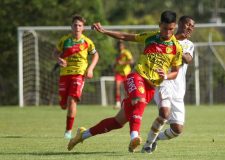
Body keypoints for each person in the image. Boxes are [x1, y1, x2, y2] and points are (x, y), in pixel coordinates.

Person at [67, 10, 183, 153]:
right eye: (165, 28)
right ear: (160, 25)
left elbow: (176, 72)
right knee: (138, 101)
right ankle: (134, 137)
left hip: (151, 87)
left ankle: (82, 135)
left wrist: (165, 75)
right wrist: (104, 31)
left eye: (171, 29)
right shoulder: (151, 37)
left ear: (175, 27)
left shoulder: (176, 48)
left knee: (117, 122)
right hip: (137, 76)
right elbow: (125, 36)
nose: (167, 32)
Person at [142, 16, 195, 154]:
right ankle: (147, 146)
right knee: (164, 113)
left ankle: (154, 139)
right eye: (187, 24)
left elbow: (188, 59)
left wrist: (176, 42)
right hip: (164, 83)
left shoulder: (189, 44)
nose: (190, 28)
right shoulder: (164, 39)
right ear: (179, 24)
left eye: (192, 26)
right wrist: (174, 38)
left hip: (178, 90)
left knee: (177, 129)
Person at [53, 14, 99, 139]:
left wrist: (90, 69)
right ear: (71, 26)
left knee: (72, 100)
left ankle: (68, 131)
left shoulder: (87, 42)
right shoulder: (64, 40)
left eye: (80, 25)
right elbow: (55, 53)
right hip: (65, 74)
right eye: (75, 25)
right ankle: (63, 104)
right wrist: (59, 60)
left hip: (79, 74)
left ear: (83, 28)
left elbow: (96, 55)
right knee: (63, 104)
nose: (77, 27)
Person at [113, 40, 134, 109]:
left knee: (126, 89)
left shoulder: (126, 52)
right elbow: (116, 63)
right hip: (118, 73)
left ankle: (126, 102)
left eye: (121, 45)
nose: (120, 46)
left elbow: (131, 61)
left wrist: (123, 63)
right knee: (117, 87)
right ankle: (117, 102)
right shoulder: (117, 53)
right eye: (118, 45)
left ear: (123, 46)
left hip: (126, 73)